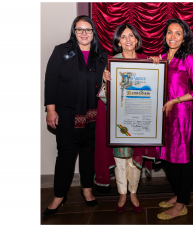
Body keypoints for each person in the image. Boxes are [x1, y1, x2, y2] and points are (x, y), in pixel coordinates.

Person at [42, 15, 107, 216]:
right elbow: (51, 80)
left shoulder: (101, 56)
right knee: (66, 155)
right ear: (74, 31)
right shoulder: (62, 51)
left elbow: (109, 85)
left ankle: (87, 190)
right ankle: (59, 196)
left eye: (88, 29)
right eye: (80, 29)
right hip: (66, 112)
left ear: (93, 32)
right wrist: (50, 109)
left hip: (93, 114)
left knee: (88, 153)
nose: (84, 33)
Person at [94, 23, 158, 214]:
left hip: (140, 121)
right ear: (118, 42)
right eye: (124, 36)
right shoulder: (112, 63)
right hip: (119, 122)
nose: (128, 39)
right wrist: (105, 81)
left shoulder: (147, 61)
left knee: (135, 158)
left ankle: (133, 193)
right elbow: (104, 97)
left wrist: (156, 66)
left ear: (137, 40)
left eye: (132, 36)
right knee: (121, 159)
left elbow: (156, 90)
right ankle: (122, 194)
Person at [153, 18, 193, 220]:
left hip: (183, 115)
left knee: (182, 160)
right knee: (166, 157)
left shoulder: (189, 59)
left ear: (184, 38)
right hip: (164, 115)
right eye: (169, 32)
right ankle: (178, 194)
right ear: (165, 36)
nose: (172, 36)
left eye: (178, 33)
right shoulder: (160, 58)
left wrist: (175, 101)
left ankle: (182, 203)